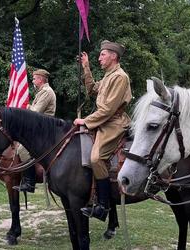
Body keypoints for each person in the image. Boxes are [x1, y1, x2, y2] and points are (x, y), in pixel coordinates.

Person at [74, 40, 132, 221]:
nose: (99, 58)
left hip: (114, 123)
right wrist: (86, 68)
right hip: (103, 122)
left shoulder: (120, 77)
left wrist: (86, 120)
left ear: (113, 56)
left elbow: (108, 109)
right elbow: (92, 90)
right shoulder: (108, 76)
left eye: (102, 54)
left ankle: (103, 206)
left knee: (96, 158)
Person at [13, 69, 56, 192]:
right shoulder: (42, 92)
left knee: (22, 149)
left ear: (41, 79)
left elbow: (35, 112)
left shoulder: (46, 92)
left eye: (34, 78)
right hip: (39, 127)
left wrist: (25, 106)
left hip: (43, 128)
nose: (33, 81)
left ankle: (29, 182)